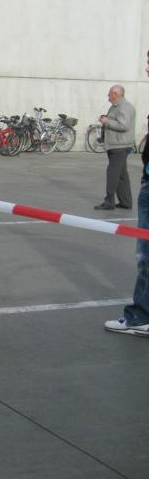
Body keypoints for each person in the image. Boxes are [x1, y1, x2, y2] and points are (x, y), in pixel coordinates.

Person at [105, 52, 149, 336]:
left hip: (122, 148)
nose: (146, 67)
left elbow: (124, 126)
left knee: (146, 255)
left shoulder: (125, 108)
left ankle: (140, 316)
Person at [95, 84, 135, 210]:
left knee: (112, 173)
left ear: (116, 94)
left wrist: (107, 121)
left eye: (110, 94)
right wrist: (107, 119)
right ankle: (126, 202)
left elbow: (124, 125)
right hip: (116, 145)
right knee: (121, 175)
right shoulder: (116, 106)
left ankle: (109, 202)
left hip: (120, 146)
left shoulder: (124, 107)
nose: (108, 96)